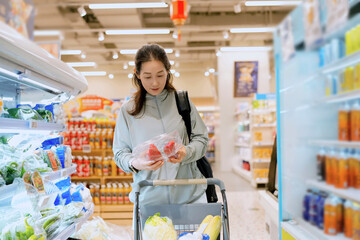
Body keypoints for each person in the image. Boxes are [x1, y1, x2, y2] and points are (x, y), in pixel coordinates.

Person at [113, 44, 209, 208]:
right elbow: (120, 153)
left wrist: (187, 152)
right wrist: (137, 163)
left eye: (160, 75)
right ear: (137, 75)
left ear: (168, 72)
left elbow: (202, 139)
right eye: (147, 76)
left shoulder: (182, 102)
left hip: (189, 196)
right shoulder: (128, 111)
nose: (155, 82)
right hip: (149, 200)